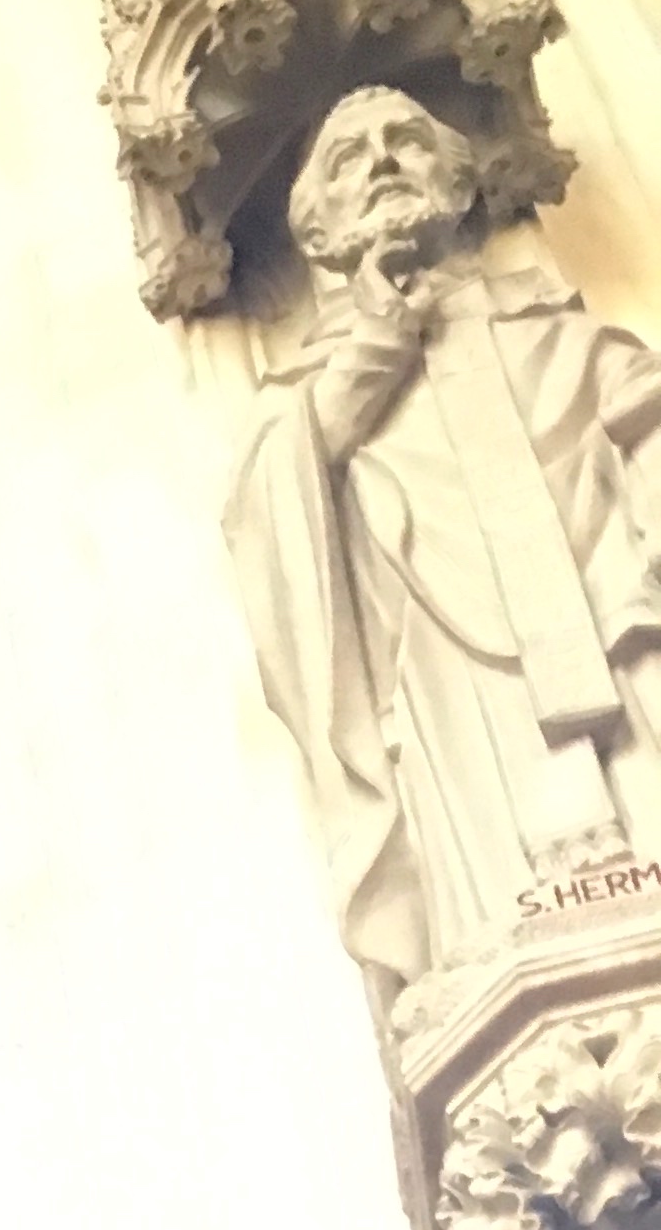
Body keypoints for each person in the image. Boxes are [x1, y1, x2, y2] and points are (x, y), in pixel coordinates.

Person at [228, 87, 661, 995]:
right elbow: (275, 522)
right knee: (506, 939)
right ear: (318, 233)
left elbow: (641, 414)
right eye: (349, 157)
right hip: (447, 680)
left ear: (462, 187)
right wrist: (379, 344)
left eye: (407, 140)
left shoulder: (565, 337)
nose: (384, 160)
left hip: (621, 640)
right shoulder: (307, 398)